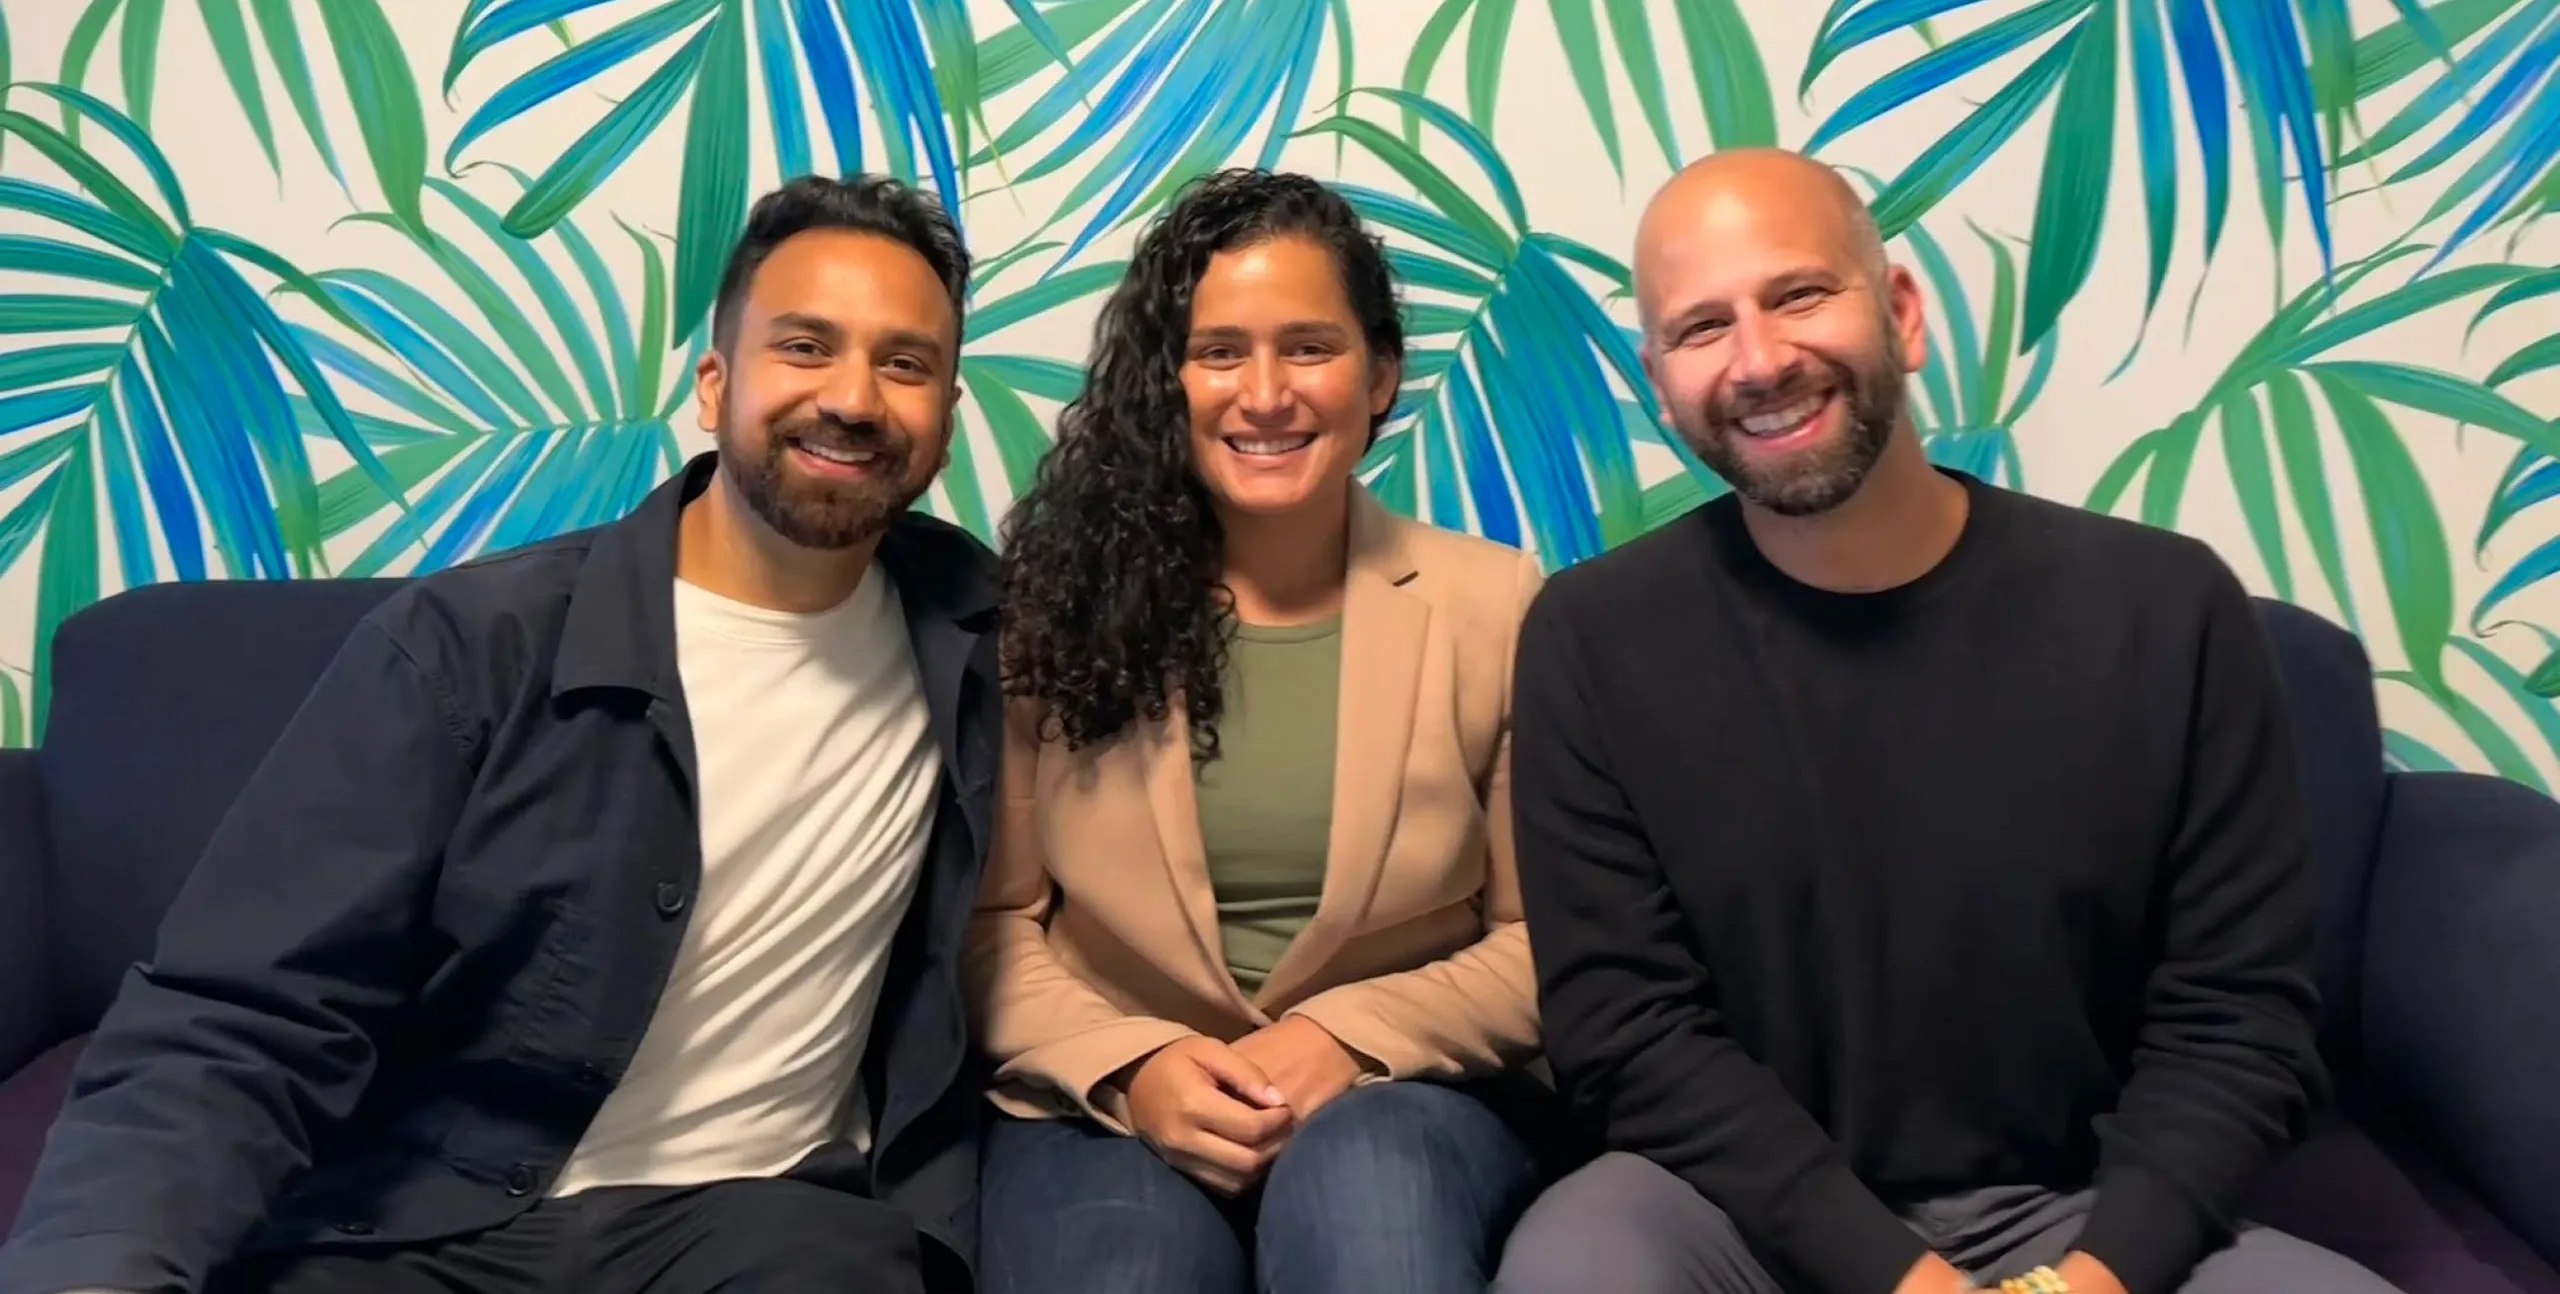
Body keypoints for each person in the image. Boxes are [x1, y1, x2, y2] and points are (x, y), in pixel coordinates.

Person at [0, 174, 1001, 1294]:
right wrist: (98, 1265)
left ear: (946, 421)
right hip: (424, 1226)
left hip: (757, 1233)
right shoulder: (471, 645)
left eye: (905, 364)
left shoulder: (981, 641)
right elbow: (244, 1009)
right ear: (716, 386)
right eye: (806, 347)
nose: (855, 398)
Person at [1489, 149, 2401, 1294]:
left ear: (1901, 312)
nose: (1760, 359)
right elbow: (1626, 1033)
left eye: (1798, 293)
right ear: (1660, 382)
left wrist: (2099, 1277)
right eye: (1702, 327)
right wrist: (1901, 1279)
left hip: (2086, 1214)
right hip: (1738, 1217)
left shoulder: (2165, 609)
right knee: (1578, 1266)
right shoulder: (1591, 635)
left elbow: (2238, 1017)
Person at [965, 168, 1550, 1294]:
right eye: (1219, 350)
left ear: (1380, 375)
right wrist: (1134, 1066)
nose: (1265, 392)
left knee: (1372, 1221)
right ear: (1164, 380)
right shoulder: (1053, 611)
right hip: (1105, 1109)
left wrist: (1352, 1037)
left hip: (1404, 1101)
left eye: (1310, 348)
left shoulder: (1497, 605)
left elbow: (1540, 942)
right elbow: (994, 927)